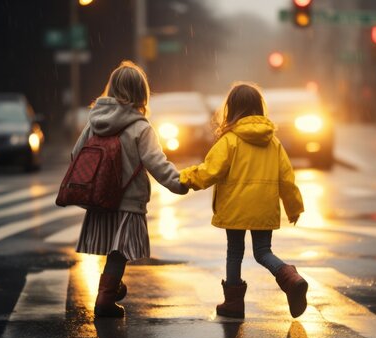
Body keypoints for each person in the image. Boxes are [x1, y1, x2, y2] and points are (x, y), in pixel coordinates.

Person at [71, 60, 188, 318]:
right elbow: (156, 163)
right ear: (140, 93)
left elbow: (76, 155)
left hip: (100, 200)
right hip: (128, 202)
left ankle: (112, 288)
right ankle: (105, 298)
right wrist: (179, 183)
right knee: (119, 252)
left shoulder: (93, 123)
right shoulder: (140, 127)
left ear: (110, 89)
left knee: (113, 249)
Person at [180, 82, 307, 319]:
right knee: (263, 252)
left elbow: (210, 171)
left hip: (235, 208)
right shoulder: (273, 142)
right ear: (260, 108)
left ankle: (233, 304)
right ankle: (291, 278)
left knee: (234, 252)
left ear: (232, 109)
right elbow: (286, 178)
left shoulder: (230, 141)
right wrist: (293, 207)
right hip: (264, 207)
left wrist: (186, 178)